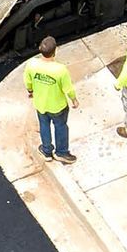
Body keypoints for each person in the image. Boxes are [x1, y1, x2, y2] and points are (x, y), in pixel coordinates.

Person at [24, 36, 78, 165]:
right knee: (61, 127)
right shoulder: (60, 69)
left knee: (44, 125)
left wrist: (31, 92)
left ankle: (47, 151)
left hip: (40, 104)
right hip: (58, 106)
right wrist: (74, 99)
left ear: (39, 49)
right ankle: (62, 153)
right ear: (55, 51)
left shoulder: (31, 64)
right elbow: (68, 88)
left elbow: (28, 81)